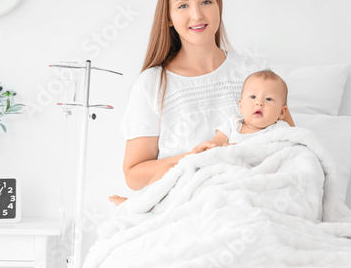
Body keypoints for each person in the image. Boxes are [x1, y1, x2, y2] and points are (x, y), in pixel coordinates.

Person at [109, 0, 294, 205]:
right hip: (183, 205)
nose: (197, 15)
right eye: (183, 5)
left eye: (206, 2)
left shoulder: (253, 73)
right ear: (168, 17)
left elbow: (290, 144)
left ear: (219, 7)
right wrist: (190, 158)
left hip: (248, 200)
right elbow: (133, 176)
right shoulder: (152, 84)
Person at [110, 69, 290, 205]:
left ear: (282, 112)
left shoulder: (278, 131)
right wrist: (217, 148)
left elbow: (284, 157)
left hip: (241, 179)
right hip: (214, 169)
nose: (259, 102)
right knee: (169, 170)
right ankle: (139, 203)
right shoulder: (233, 124)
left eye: (269, 99)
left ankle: (159, 210)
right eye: (253, 97)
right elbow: (216, 143)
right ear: (241, 105)